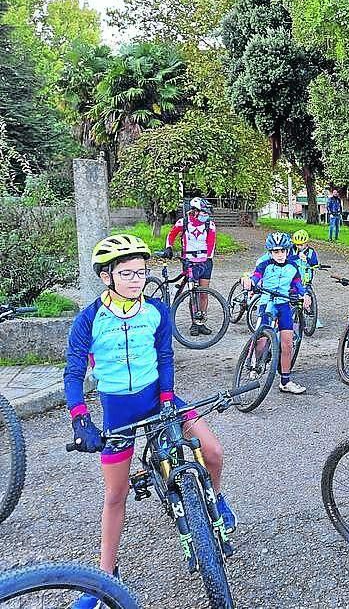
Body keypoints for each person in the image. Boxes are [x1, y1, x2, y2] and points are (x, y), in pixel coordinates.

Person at [64, 234, 234, 609]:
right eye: (126, 273)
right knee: (115, 496)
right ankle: (103, 579)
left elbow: (166, 355)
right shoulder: (88, 320)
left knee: (213, 451)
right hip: (118, 411)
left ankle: (217, 502)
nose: (135, 279)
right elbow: (73, 374)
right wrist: (81, 420)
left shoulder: (156, 310)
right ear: (106, 277)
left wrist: (169, 397)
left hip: (160, 396)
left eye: (140, 272)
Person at [242, 232, 311, 394]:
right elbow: (255, 278)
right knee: (261, 339)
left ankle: (285, 381)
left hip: (284, 304)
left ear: (287, 251)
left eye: (282, 251)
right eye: (275, 252)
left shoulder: (292, 266)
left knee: (287, 344)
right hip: (267, 303)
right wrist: (248, 282)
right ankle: (253, 362)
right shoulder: (264, 265)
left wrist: (305, 294)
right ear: (270, 252)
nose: (279, 255)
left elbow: (298, 284)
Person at [166, 197, 216, 336]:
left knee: (204, 293)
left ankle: (201, 322)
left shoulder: (209, 225)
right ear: (195, 211)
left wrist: (207, 259)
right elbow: (171, 234)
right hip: (189, 261)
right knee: (192, 292)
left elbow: (212, 243)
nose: (206, 215)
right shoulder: (184, 222)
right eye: (203, 213)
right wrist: (169, 247)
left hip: (205, 262)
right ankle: (194, 323)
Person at [291, 229, 322, 327]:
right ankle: (292, 314)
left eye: (301, 245)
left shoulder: (311, 252)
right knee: (292, 295)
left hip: (306, 277)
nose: (299, 247)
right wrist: (297, 257)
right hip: (294, 277)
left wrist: (307, 259)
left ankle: (313, 316)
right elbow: (287, 259)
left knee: (309, 294)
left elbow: (315, 263)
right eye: (297, 245)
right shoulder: (292, 250)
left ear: (306, 243)